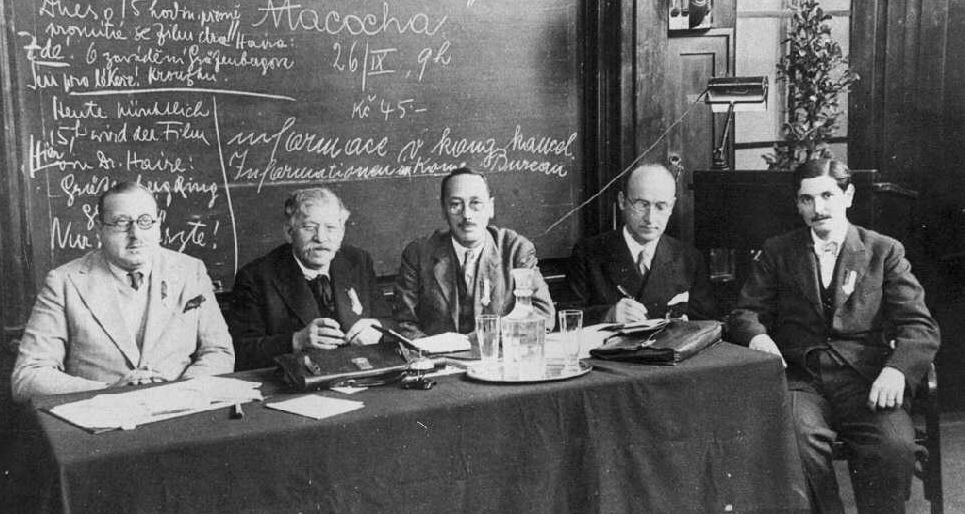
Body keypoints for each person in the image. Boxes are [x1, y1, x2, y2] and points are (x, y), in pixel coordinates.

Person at [728, 159, 939, 514]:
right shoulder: (778, 251)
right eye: (807, 199)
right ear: (798, 204)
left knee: (895, 445)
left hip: (866, 380)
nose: (818, 208)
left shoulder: (883, 251)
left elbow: (920, 326)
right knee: (797, 442)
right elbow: (745, 312)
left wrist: (897, 369)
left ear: (848, 195)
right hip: (803, 379)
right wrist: (758, 337)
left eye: (827, 195)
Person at [11, 182, 234, 401]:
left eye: (145, 221)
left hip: (179, 408)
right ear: (99, 229)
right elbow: (27, 377)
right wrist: (109, 390)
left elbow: (219, 352)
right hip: (101, 415)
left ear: (158, 225)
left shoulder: (190, 271)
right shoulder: (63, 282)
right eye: (121, 223)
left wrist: (180, 391)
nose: (135, 234)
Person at [227, 187, 392, 369]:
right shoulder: (256, 277)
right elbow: (241, 352)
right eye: (309, 228)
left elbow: (391, 322)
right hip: (299, 380)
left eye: (330, 228)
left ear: (342, 232)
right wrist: (296, 341)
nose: (321, 238)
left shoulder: (358, 261)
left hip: (360, 375)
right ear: (289, 232)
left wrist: (377, 328)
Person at [395, 166, 554, 340]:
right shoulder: (418, 254)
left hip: (498, 353)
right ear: (443, 210)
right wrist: (432, 350)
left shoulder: (515, 250)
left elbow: (543, 315)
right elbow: (405, 324)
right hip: (438, 356)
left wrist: (482, 338)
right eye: (455, 205)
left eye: (476, 203)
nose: (467, 215)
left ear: (490, 207)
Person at [568, 163, 716, 325]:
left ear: (671, 207)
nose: (650, 218)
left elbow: (707, 324)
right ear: (622, 201)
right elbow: (566, 318)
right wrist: (608, 315)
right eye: (642, 204)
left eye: (660, 207)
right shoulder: (588, 253)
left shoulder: (690, 259)